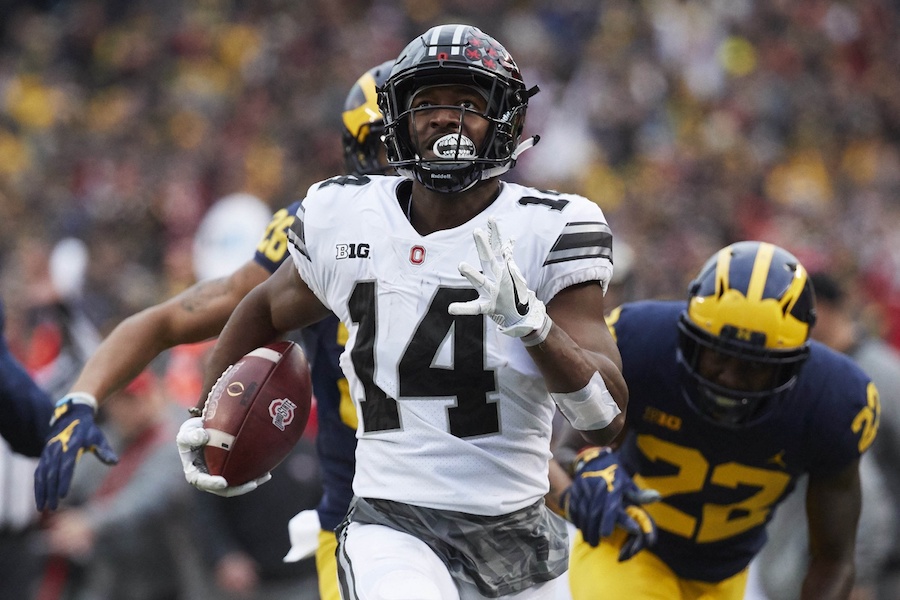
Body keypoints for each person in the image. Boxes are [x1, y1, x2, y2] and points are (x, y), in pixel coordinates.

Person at [177, 23, 627, 600]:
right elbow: (263, 307)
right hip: (393, 522)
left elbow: (606, 420)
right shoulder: (346, 217)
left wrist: (534, 326)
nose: (445, 117)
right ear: (398, 121)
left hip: (519, 528)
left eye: (468, 102)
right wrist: (209, 405)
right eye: (427, 103)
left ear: (506, 121)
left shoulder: (550, 228)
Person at [33, 60, 394, 600]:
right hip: (369, 517)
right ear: (371, 147)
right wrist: (84, 395)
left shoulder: (514, 227)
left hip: (492, 503)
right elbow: (177, 317)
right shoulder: (320, 227)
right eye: (420, 130)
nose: (445, 147)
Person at [555, 241, 879, 600]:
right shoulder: (642, 344)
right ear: (690, 336)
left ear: (790, 365)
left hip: (727, 574)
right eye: (717, 354)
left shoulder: (832, 401)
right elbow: (567, 450)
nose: (729, 377)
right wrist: (590, 466)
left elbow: (834, 559)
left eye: (754, 365)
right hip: (627, 548)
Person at [748, 270, 900, 600]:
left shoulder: (880, 374)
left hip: (873, 566)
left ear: (822, 310)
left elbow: (866, 490)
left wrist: (862, 571)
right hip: (817, 558)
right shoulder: (810, 373)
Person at [38, 369, 204, 600]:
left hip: (163, 573)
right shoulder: (113, 437)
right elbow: (77, 476)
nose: (123, 409)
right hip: (111, 571)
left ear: (153, 395)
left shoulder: (174, 440)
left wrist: (90, 521)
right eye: (117, 400)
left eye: (132, 399)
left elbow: (145, 497)